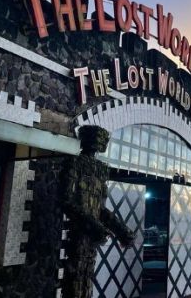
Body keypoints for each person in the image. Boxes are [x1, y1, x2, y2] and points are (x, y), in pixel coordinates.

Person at [60, 125, 134, 298]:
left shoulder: (100, 169)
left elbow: (99, 209)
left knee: (87, 275)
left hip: (92, 235)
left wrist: (121, 230)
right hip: (78, 233)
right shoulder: (75, 163)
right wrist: (93, 225)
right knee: (75, 276)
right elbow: (66, 201)